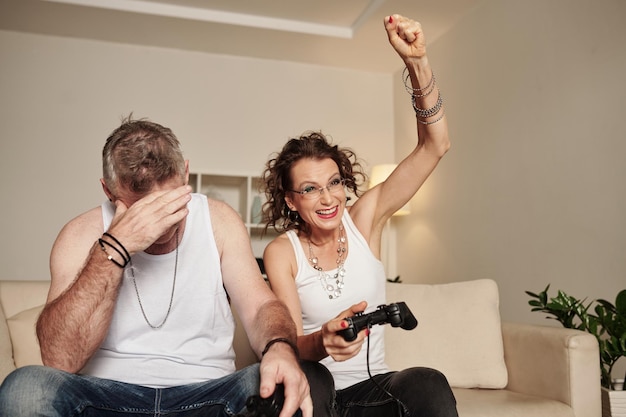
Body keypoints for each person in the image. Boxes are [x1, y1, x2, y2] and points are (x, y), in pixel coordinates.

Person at [0, 117, 337, 417]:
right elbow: (59, 359)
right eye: (142, 210)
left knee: (307, 377)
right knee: (26, 387)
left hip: (207, 395)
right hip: (106, 398)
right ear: (107, 190)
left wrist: (279, 347)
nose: (160, 226)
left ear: (185, 173)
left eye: (170, 204)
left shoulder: (218, 221)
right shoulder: (79, 235)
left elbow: (260, 305)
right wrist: (115, 246)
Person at [260, 14, 458, 417]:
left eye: (334, 183)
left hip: (373, 391)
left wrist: (417, 63)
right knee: (310, 376)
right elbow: (289, 341)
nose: (328, 198)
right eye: (310, 189)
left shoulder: (364, 219)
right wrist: (323, 342)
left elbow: (435, 145)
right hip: (316, 389)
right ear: (291, 200)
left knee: (427, 381)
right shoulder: (282, 252)